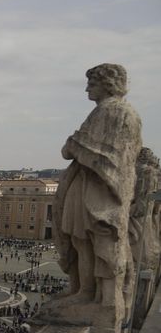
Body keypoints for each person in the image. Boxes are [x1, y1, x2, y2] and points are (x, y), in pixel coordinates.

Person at [52, 64, 142, 307]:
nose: (86, 89)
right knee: (84, 240)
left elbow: (78, 150)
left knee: (86, 240)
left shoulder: (109, 112)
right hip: (97, 185)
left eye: (91, 84)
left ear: (107, 84)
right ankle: (90, 291)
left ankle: (90, 292)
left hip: (96, 188)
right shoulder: (126, 113)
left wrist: (73, 144)